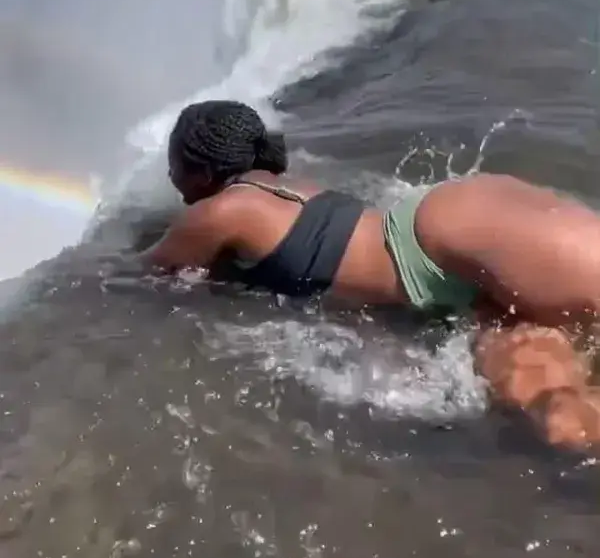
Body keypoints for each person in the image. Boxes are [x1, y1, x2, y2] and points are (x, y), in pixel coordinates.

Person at [134, 99, 600, 452]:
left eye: (174, 165)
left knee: (563, 421)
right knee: (562, 415)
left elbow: (142, 275)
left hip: (435, 250)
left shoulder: (221, 211)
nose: (172, 179)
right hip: (445, 240)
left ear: (198, 169)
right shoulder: (287, 186)